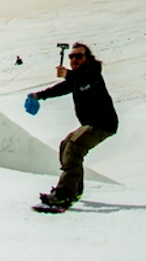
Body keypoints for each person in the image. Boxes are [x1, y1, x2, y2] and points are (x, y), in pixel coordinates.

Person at [26, 41, 119, 210]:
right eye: (71, 56)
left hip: (103, 123)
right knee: (66, 145)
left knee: (74, 148)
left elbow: (85, 79)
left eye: (79, 56)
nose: (74, 59)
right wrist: (38, 95)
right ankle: (75, 190)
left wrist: (68, 74)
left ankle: (64, 195)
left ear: (87, 58)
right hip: (91, 123)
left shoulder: (92, 73)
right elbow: (60, 89)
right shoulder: (76, 78)